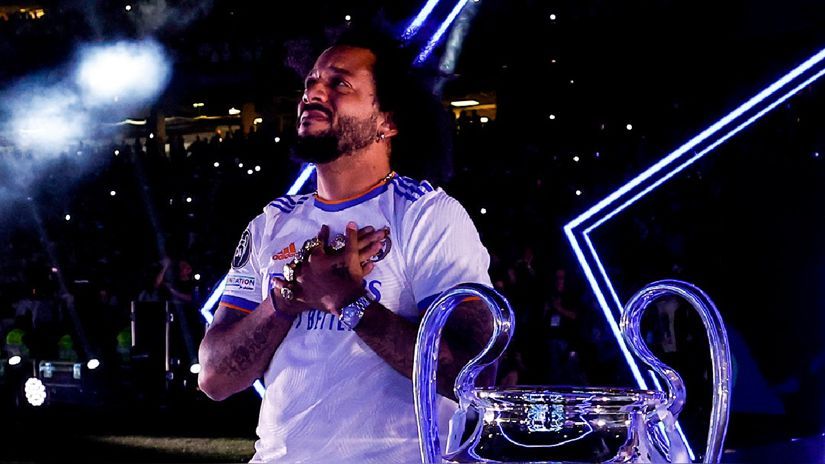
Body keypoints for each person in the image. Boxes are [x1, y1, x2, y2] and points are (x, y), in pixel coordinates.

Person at [197, 28, 494, 463]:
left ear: (387, 121)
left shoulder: (427, 216)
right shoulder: (272, 223)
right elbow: (215, 379)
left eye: (339, 83)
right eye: (310, 82)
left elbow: (472, 376)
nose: (313, 92)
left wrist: (347, 300)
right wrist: (285, 300)